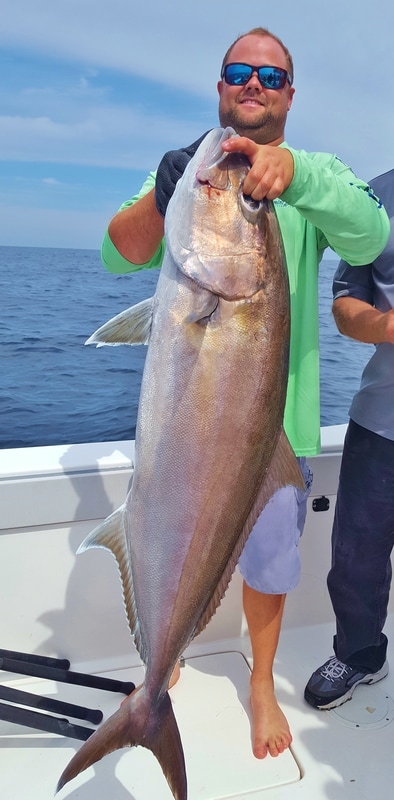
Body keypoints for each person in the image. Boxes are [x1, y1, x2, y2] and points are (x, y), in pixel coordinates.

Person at [100, 27, 390, 759]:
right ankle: (158, 672)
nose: (253, 82)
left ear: (290, 94)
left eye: (271, 74)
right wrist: (165, 193)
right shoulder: (192, 168)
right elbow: (120, 252)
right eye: (239, 70)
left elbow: (369, 234)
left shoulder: (311, 174)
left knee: (268, 567)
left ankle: (261, 682)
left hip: (277, 439)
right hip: (184, 437)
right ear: (221, 85)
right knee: (159, 535)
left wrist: (293, 175)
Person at [305, 169, 394, 710]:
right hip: (381, 421)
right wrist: (387, 327)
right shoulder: (375, 196)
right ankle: (360, 654)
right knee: (356, 557)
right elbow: (345, 304)